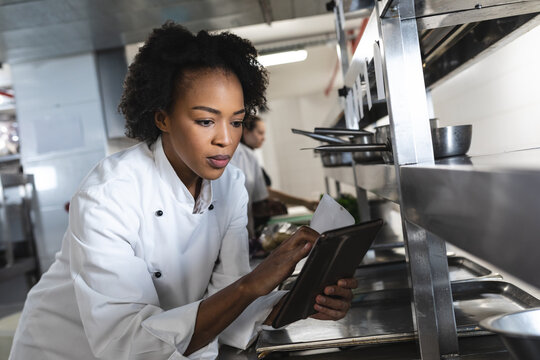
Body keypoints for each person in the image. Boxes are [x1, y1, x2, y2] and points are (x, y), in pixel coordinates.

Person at [9, 22, 357, 360]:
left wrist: (301, 301)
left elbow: (230, 300)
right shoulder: (109, 194)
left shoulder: (231, 187)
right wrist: (254, 283)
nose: (225, 138)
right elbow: (125, 344)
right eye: (206, 121)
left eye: (236, 121)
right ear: (163, 118)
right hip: (63, 349)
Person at [231, 115, 319, 240]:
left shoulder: (249, 157)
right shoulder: (237, 156)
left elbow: (260, 196)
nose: (263, 138)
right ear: (245, 132)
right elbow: (266, 193)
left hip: (243, 231)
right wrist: (304, 202)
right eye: (260, 133)